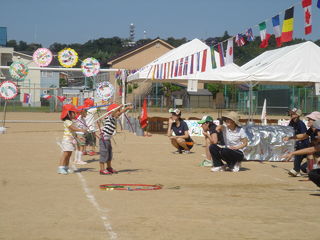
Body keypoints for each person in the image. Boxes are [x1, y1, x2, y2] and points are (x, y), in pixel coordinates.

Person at [99, 103, 133, 175]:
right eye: (118, 111)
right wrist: (119, 107)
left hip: (107, 139)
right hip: (103, 139)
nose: (119, 113)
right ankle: (102, 169)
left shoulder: (114, 118)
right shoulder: (109, 117)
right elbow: (114, 113)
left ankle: (109, 168)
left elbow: (119, 113)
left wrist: (126, 108)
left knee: (109, 154)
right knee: (104, 154)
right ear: (112, 112)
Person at [58, 104, 87, 175]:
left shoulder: (71, 121)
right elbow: (73, 128)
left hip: (71, 140)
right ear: (69, 113)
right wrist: (81, 130)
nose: (75, 115)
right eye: (74, 113)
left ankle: (66, 167)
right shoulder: (67, 122)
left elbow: (73, 132)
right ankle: (61, 167)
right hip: (67, 140)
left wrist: (79, 137)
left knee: (69, 154)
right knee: (65, 154)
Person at [282, 108, 309, 177]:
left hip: (304, 143)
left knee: (299, 156)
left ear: (297, 115)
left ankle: (297, 170)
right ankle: (297, 170)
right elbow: (288, 129)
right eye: (290, 113)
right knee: (299, 157)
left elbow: (304, 135)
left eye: (292, 113)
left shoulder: (301, 123)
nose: (290, 114)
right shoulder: (292, 122)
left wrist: (292, 138)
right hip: (297, 142)